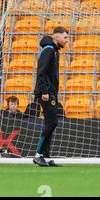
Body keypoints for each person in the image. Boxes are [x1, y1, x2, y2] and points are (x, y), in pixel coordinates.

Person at [33, 26, 69, 167]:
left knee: (51, 122)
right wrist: (45, 91)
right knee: (52, 122)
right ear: (56, 36)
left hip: (50, 91)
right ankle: (38, 155)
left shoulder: (53, 50)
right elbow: (41, 72)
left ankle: (45, 157)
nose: (66, 41)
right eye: (65, 37)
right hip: (46, 92)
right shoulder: (48, 50)